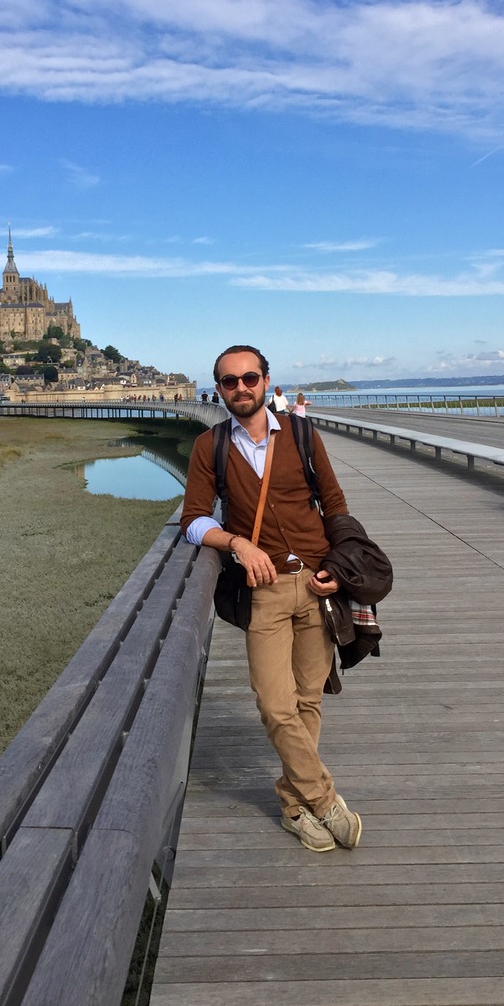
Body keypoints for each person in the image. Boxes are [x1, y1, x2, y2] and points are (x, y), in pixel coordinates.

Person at [181, 345, 363, 853]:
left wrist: (335, 568)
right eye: (229, 382)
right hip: (264, 591)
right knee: (274, 703)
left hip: (317, 582)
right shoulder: (210, 446)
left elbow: (335, 505)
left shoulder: (303, 434)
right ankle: (324, 801)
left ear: (266, 381)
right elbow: (193, 519)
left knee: (308, 699)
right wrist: (237, 543)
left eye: (250, 378)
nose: (241, 388)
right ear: (218, 389)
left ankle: (292, 804)